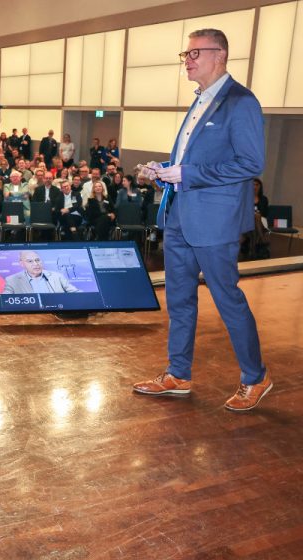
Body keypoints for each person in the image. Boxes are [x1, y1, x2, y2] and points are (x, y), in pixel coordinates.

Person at [133, 29, 271, 411]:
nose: (187, 60)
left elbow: (250, 163)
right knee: (179, 299)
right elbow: (190, 159)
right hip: (180, 215)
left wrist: (188, 174)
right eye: (186, 53)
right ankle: (178, 373)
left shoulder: (240, 102)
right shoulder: (199, 101)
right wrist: (163, 169)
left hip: (215, 221)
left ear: (220, 55)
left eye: (194, 52)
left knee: (227, 299)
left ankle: (255, 377)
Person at [3, 250, 80, 294]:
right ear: (22, 264)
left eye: (37, 260)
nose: (36, 264)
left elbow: (76, 293)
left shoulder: (57, 276)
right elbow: (4, 300)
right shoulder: (12, 280)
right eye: (30, 261)